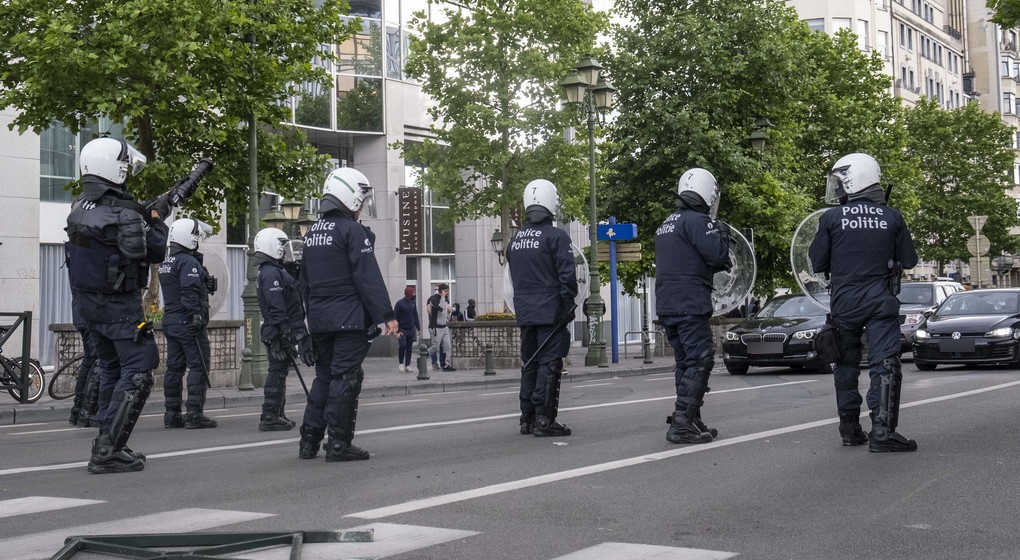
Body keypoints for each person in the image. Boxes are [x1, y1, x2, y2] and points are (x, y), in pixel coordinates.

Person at [64, 137, 169, 474]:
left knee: (111, 368)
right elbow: (153, 253)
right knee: (140, 368)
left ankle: (109, 442)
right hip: (119, 309)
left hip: (89, 308)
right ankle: (108, 449)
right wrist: (157, 219)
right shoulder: (124, 212)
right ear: (114, 168)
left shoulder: (79, 207)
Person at [809, 153, 919, 452]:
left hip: (844, 301)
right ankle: (883, 431)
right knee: (884, 363)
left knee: (844, 365)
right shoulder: (892, 217)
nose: (839, 189)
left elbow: (817, 262)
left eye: (840, 183)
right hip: (879, 301)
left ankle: (849, 430)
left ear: (853, 181)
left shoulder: (830, 218)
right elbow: (910, 260)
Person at [298, 167, 398, 462]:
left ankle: (309, 441)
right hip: (349, 318)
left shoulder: (312, 233)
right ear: (351, 198)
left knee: (324, 378)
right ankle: (339, 444)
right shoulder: (351, 231)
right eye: (362, 203)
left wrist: (309, 319)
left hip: (320, 319)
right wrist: (387, 315)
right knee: (346, 378)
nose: (363, 209)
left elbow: (303, 282)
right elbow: (367, 276)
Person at [655, 168, 731, 445]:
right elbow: (717, 255)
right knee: (700, 360)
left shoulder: (667, 222)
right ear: (707, 193)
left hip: (667, 303)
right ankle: (682, 423)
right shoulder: (698, 220)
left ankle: (691, 417)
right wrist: (721, 237)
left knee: (685, 363)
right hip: (690, 301)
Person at [506, 179, 578, 437]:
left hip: (525, 312)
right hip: (551, 311)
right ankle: (545, 419)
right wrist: (567, 304)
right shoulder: (556, 237)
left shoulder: (515, 240)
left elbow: (512, 277)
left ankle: (526, 418)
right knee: (549, 365)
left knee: (530, 363)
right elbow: (567, 277)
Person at [159, 218, 217, 430]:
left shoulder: (167, 262)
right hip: (187, 322)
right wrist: (196, 316)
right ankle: (194, 413)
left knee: (174, 367)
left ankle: (171, 414)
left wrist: (204, 281)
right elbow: (189, 291)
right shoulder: (188, 262)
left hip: (171, 321)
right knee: (199, 365)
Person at [254, 227, 312, 431]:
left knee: (280, 373)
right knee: (277, 373)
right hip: (277, 331)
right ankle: (269, 416)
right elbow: (276, 304)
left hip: (277, 329)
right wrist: (285, 332)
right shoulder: (270, 273)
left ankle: (276, 413)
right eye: (281, 245)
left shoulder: (274, 270)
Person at [427, 284, 456, 371]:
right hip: (436, 327)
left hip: (444, 326)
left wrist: (451, 308)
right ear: (441, 291)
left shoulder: (445, 299)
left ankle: (446, 365)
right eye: (446, 291)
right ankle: (423, 356)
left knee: (447, 346)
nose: (447, 293)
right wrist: (443, 298)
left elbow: (449, 310)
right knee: (435, 347)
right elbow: (440, 308)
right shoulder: (434, 299)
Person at [393, 286, 420, 373]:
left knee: (409, 347)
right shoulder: (399, 304)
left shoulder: (413, 303)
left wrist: (418, 328)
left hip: (411, 329)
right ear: (409, 293)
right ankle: (401, 363)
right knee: (403, 345)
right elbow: (395, 318)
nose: (414, 294)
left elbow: (415, 315)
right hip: (402, 329)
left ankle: (407, 365)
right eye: (413, 292)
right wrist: (396, 331)